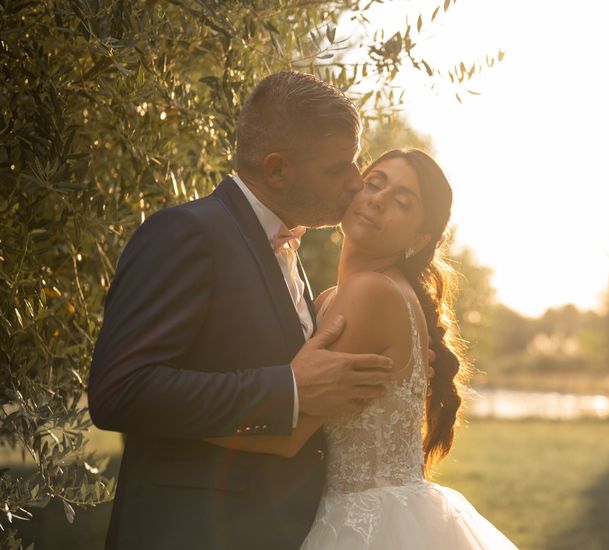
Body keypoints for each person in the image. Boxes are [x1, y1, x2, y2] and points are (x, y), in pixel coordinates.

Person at [87, 71, 401, 549]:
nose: (355, 184)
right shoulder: (186, 234)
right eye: (338, 169)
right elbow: (120, 390)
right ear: (276, 170)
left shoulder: (286, 247)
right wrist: (289, 388)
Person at [209, 148, 519, 548]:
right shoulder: (328, 299)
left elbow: (289, 436)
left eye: (402, 202)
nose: (377, 199)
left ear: (419, 238)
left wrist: (172, 424)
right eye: (374, 183)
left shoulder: (372, 292)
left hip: (368, 525)